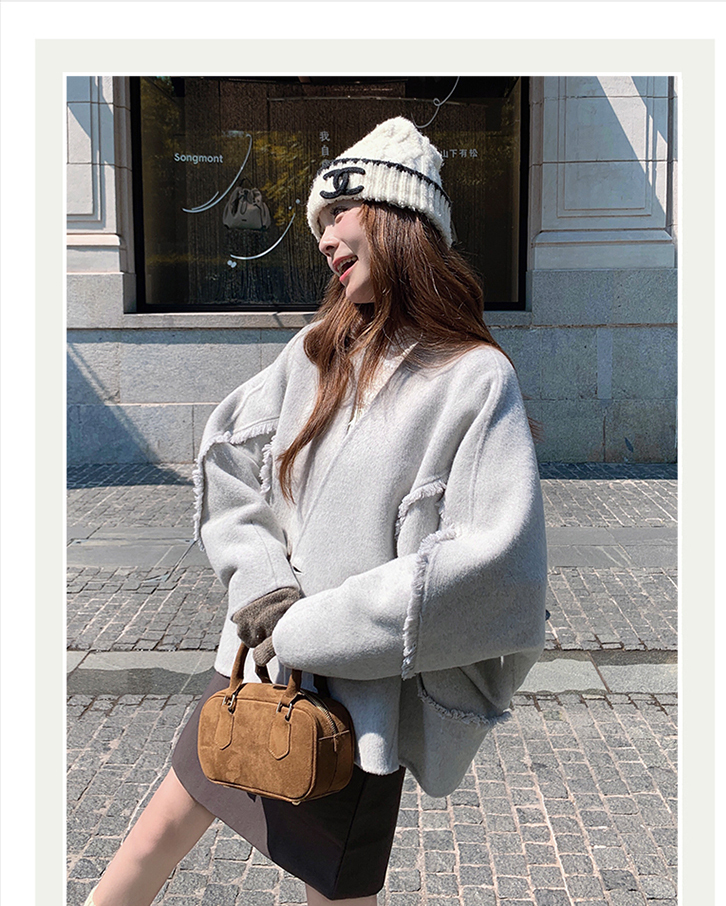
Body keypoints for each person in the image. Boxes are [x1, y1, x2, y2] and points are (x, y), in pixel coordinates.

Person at [83, 116, 548, 906]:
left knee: (332, 894)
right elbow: (229, 460)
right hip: (254, 672)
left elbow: (491, 566)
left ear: (400, 217)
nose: (325, 239)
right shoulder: (316, 352)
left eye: (339, 214)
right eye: (319, 224)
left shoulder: (473, 378)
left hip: (355, 708)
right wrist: (264, 587)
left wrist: (310, 627)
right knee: (151, 840)